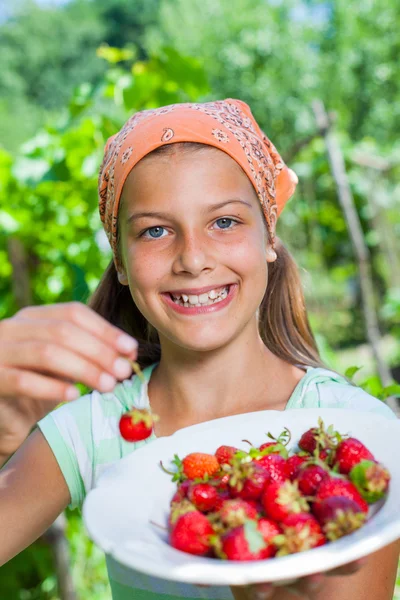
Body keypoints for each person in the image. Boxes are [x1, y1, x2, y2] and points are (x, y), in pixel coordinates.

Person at [0, 99, 398, 600]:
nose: (192, 258)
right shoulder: (92, 432)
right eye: (156, 231)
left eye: (225, 222)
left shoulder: (350, 432)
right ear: (120, 262)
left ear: (268, 237)